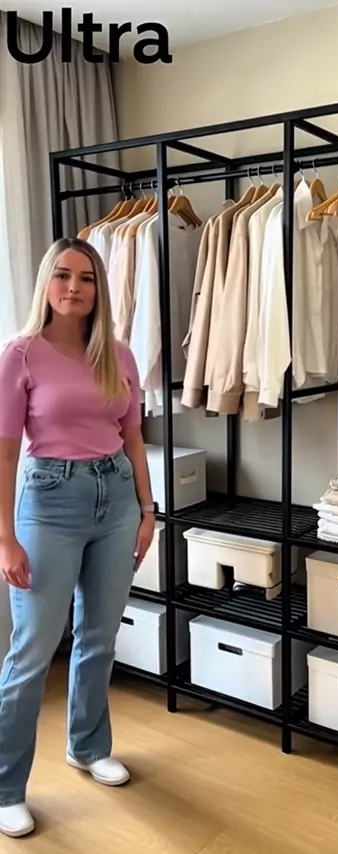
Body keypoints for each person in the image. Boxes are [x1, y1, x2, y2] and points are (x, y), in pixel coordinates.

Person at [0, 237, 156, 838]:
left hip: (116, 499)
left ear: (99, 289)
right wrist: (6, 538)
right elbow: (5, 455)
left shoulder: (118, 354)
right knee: (33, 649)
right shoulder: (20, 355)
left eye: (86, 278)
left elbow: (133, 437)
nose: (74, 287)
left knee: (98, 637)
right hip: (48, 502)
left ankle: (88, 746)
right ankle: (6, 786)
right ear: (46, 283)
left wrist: (147, 510)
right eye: (63, 275)